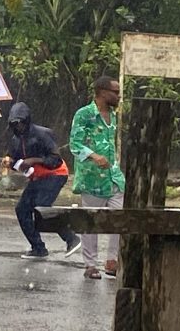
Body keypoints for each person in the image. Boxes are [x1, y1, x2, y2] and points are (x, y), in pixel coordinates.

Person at [6, 102, 81, 260]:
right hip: (37, 177)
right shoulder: (15, 140)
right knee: (22, 209)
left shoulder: (42, 134)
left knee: (42, 207)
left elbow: (56, 160)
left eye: (20, 123)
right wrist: (10, 162)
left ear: (27, 120)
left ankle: (72, 238)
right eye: (14, 124)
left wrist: (34, 160)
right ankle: (38, 248)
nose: (18, 127)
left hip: (55, 173)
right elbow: (15, 160)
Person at [70, 76, 125, 279]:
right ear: (102, 92)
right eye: (115, 92)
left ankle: (112, 260)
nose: (118, 96)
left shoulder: (113, 116)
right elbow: (74, 144)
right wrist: (94, 156)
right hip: (92, 178)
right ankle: (90, 264)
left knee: (119, 218)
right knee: (90, 222)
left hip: (113, 176)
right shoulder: (84, 114)